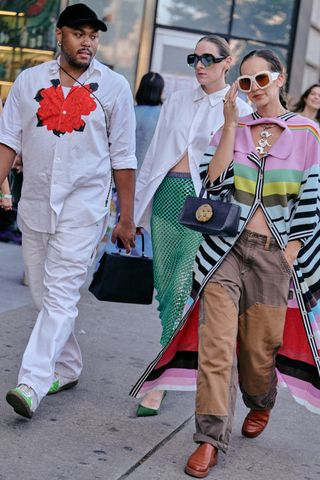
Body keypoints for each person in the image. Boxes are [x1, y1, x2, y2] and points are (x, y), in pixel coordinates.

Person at [130, 49, 320, 477]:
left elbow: (314, 195)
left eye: (262, 79)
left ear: (281, 78)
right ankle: (209, 438)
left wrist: (293, 249)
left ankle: (261, 398)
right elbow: (212, 183)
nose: (254, 89)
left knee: (258, 352)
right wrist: (232, 124)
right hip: (225, 252)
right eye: (246, 82)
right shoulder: (232, 128)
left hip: (275, 257)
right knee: (215, 347)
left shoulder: (308, 131)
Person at [0, 3, 136, 419]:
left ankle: (32, 382)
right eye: (80, 34)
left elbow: (124, 157)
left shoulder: (113, 87)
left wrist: (126, 217)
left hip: (85, 209)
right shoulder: (28, 80)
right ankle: (69, 366)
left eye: (94, 35)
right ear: (59, 35)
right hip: (36, 203)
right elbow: (8, 139)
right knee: (44, 295)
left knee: (60, 296)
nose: (88, 42)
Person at [134, 35, 252, 416]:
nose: (199, 65)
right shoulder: (178, 99)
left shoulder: (241, 108)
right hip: (166, 197)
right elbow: (154, 154)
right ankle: (176, 357)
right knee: (166, 289)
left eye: (207, 58)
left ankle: (162, 376)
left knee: (185, 283)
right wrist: (133, 212)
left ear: (226, 62)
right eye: (194, 58)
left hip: (205, 208)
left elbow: (244, 169)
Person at [135, 72, 164, 170]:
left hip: (120, 174)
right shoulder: (163, 115)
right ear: (160, 91)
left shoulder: (128, 111)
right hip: (148, 173)